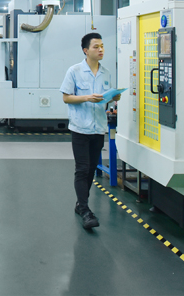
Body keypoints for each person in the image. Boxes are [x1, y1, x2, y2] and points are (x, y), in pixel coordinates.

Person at [60, 33, 121, 230]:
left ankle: (81, 204)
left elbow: (105, 99)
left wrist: (113, 97)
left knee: (91, 168)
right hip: (80, 127)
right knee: (82, 168)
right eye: (96, 47)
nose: (101, 49)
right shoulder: (74, 71)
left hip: (98, 128)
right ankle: (85, 210)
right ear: (86, 50)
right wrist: (87, 98)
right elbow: (66, 97)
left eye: (102, 46)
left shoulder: (106, 73)